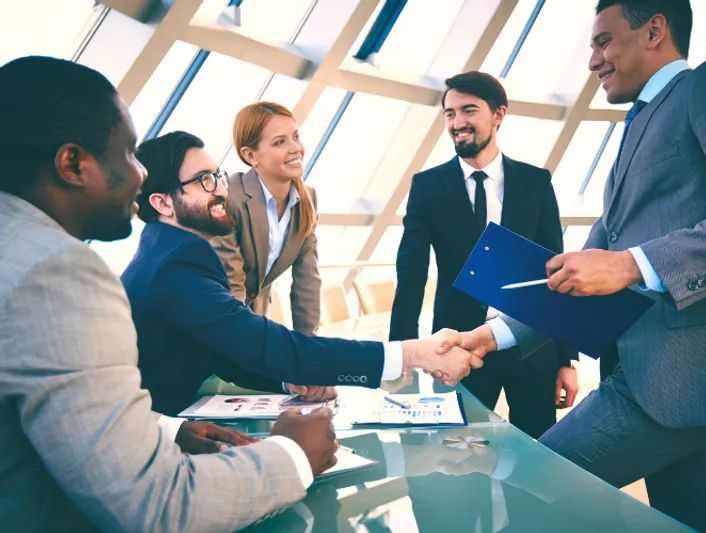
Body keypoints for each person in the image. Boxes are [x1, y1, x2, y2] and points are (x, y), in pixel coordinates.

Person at [438, 1, 706, 531]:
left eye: (603, 42)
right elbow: (575, 272)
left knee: (523, 492)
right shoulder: (638, 125)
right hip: (667, 378)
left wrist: (634, 265)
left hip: (681, 375)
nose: (592, 61)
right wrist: (493, 335)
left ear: (654, 30)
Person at [0, 55, 343, 532]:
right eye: (127, 153)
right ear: (73, 164)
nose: (140, 175)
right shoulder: (57, 271)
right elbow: (157, 507)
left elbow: (28, 410)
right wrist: (293, 455)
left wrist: (167, 429)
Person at [122, 131, 481, 416]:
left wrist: (288, 381)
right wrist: (413, 354)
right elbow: (267, 345)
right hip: (151, 436)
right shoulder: (178, 263)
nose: (221, 188)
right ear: (163, 203)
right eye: (203, 181)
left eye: (217, 175)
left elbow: (224, 352)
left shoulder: (169, 252)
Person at [389, 71, 579, 439]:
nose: (457, 123)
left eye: (469, 111)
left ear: (498, 114)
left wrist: (565, 359)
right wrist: (403, 354)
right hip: (457, 347)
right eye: (449, 113)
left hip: (531, 346)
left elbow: (555, 271)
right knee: (455, 457)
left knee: (538, 465)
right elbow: (410, 273)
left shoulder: (535, 182)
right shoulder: (427, 186)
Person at [212, 102, 320, 335]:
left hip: (253, 321)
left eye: (296, 136)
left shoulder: (307, 199)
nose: (295, 148)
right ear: (251, 155)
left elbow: (307, 281)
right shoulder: (230, 196)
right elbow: (232, 283)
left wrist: (309, 348)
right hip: (215, 325)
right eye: (280, 142)